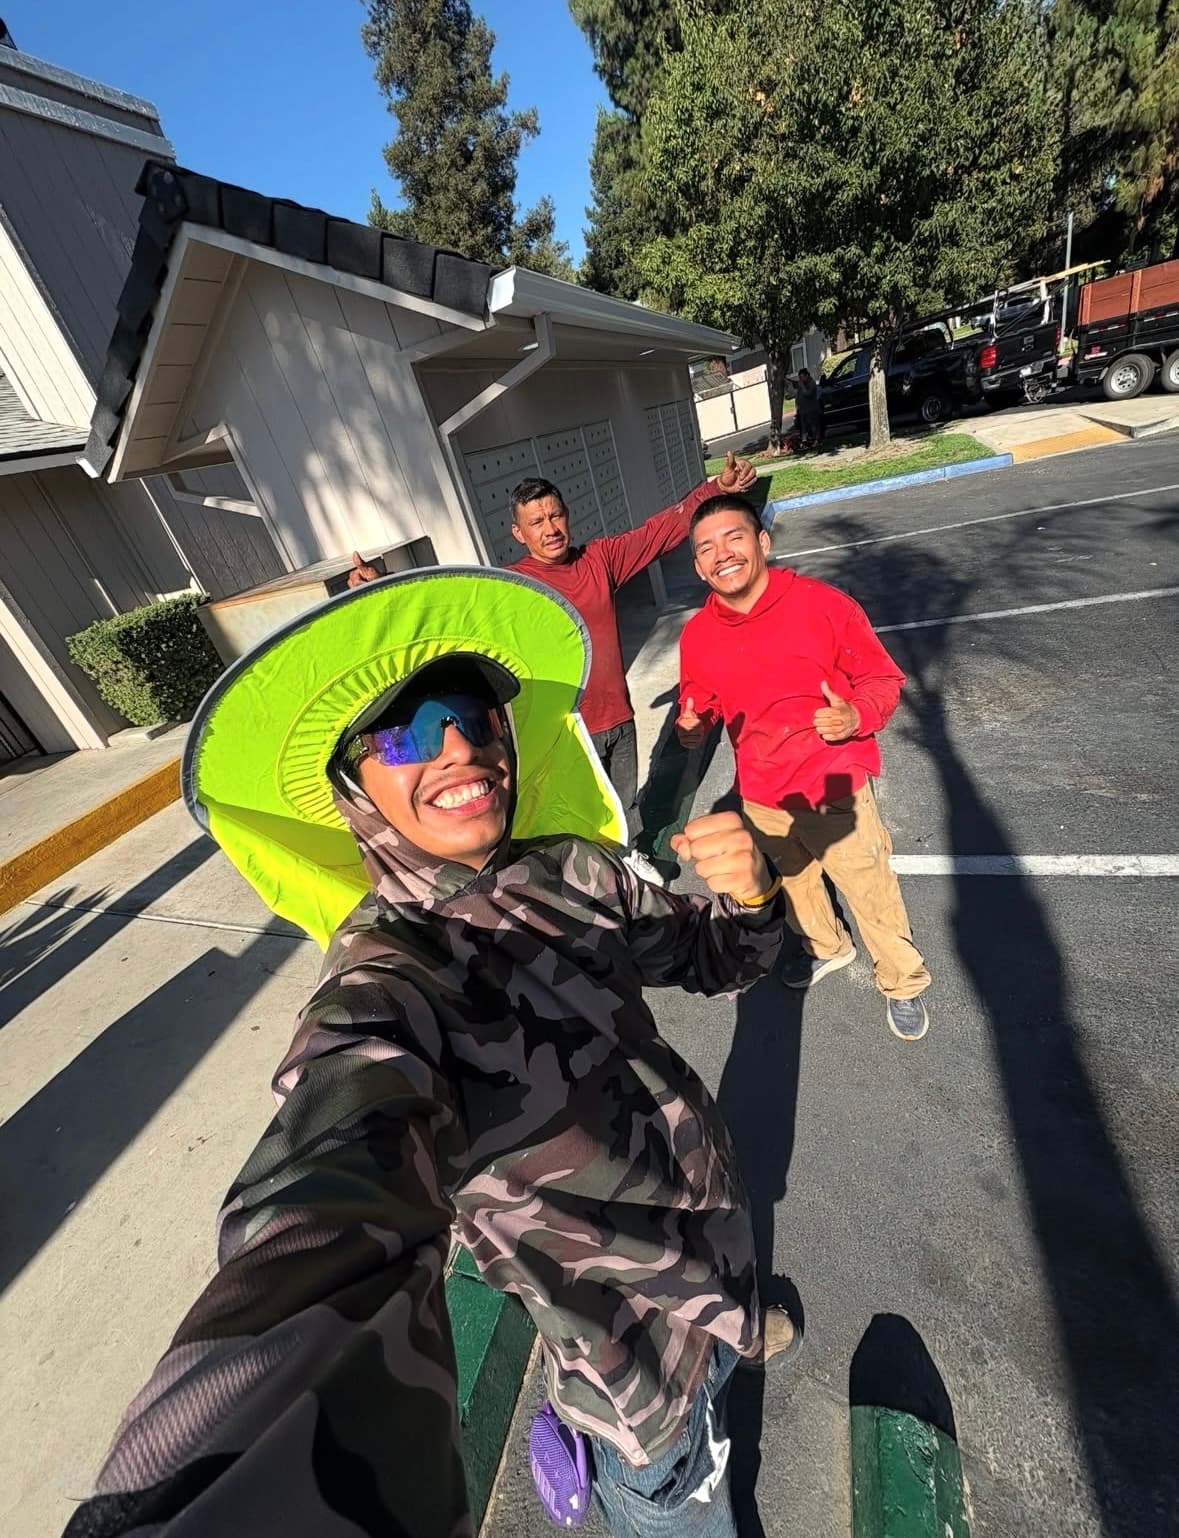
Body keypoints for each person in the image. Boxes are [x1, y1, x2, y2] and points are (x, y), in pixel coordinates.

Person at [64, 566, 795, 1538]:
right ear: (350, 790)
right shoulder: (386, 976)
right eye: (406, 731)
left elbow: (710, 960)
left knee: (736, 1331)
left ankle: (741, 1325)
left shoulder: (569, 867)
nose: (458, 744)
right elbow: (327, 1191)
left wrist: (751, 901)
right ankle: (618, 1450)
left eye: (473, 713)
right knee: (679, 1500)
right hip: (634, 1373)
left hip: (720, 1241)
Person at [349, 451, 758, 887]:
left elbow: (657, 532)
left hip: (619, 716)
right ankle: (590, 879)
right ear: (518, 533)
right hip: (565, 728)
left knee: (620, 805)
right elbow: (441, 609)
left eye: (555, 515)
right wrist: (383, 587)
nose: (550, 529)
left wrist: (717, 489)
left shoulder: (598, 561)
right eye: (537, 522)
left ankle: (624, 860)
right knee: (569, 813)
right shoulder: (513, 588)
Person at [675, 495, 932, 1041]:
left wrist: (855, 716)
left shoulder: (824, 606)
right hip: (762, 790)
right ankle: (827, 947)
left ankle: (903, 980)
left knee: (869, 887)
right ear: (698, 567)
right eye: (707, 548)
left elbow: (881, 680)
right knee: (794, 883)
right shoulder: (697, 634)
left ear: (762, 542)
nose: (723, 554)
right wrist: (692, 727)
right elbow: (701, 701)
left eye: (734, 537)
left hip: (833, 780)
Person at [792, 367, 822, 448]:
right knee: (804, 427)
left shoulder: (811, 383)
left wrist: (802, 386)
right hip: (803, 410)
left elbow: (808, 394)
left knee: (814, 426)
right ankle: (806, 442)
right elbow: (798, 395)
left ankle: (817, 440)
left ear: (807, 375)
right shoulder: (801, 385)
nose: (801, 379)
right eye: (800, 378)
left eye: (802, 377)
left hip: (812, 409)